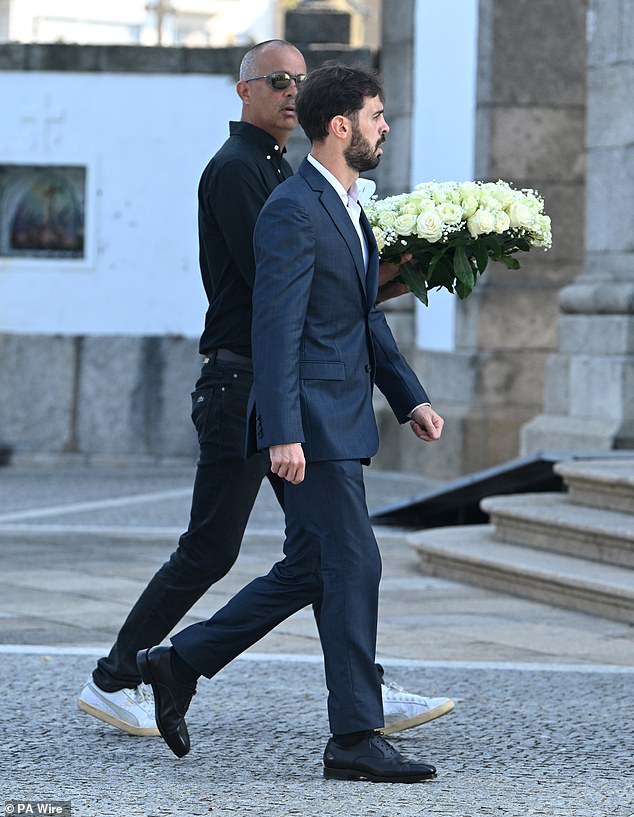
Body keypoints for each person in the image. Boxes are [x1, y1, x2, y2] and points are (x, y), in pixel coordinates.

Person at [77, 39, 453, 740]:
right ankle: (123, 671)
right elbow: (287, 297)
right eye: (277, 80)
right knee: (223, 548)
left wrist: (399, 324)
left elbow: (334, 297)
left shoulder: (291, 173)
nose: (291, 91)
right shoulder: (240, 173)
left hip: (282, 386)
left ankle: (354, 695)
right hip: (248, 384)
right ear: (244, 90)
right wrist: (397, 271)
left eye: (300, 81)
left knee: (325, 553)